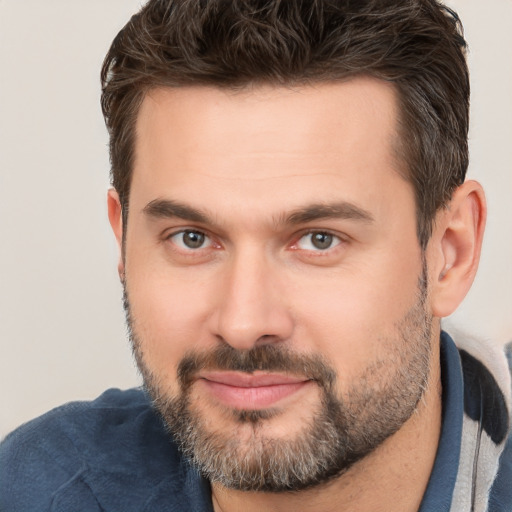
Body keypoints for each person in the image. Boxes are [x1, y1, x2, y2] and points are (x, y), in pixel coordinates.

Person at [1, 0, 511, 510]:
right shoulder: (39, 489)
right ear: (124, 241)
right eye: (191, 238)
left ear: (451, 252)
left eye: (319, 240)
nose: (243, 324)